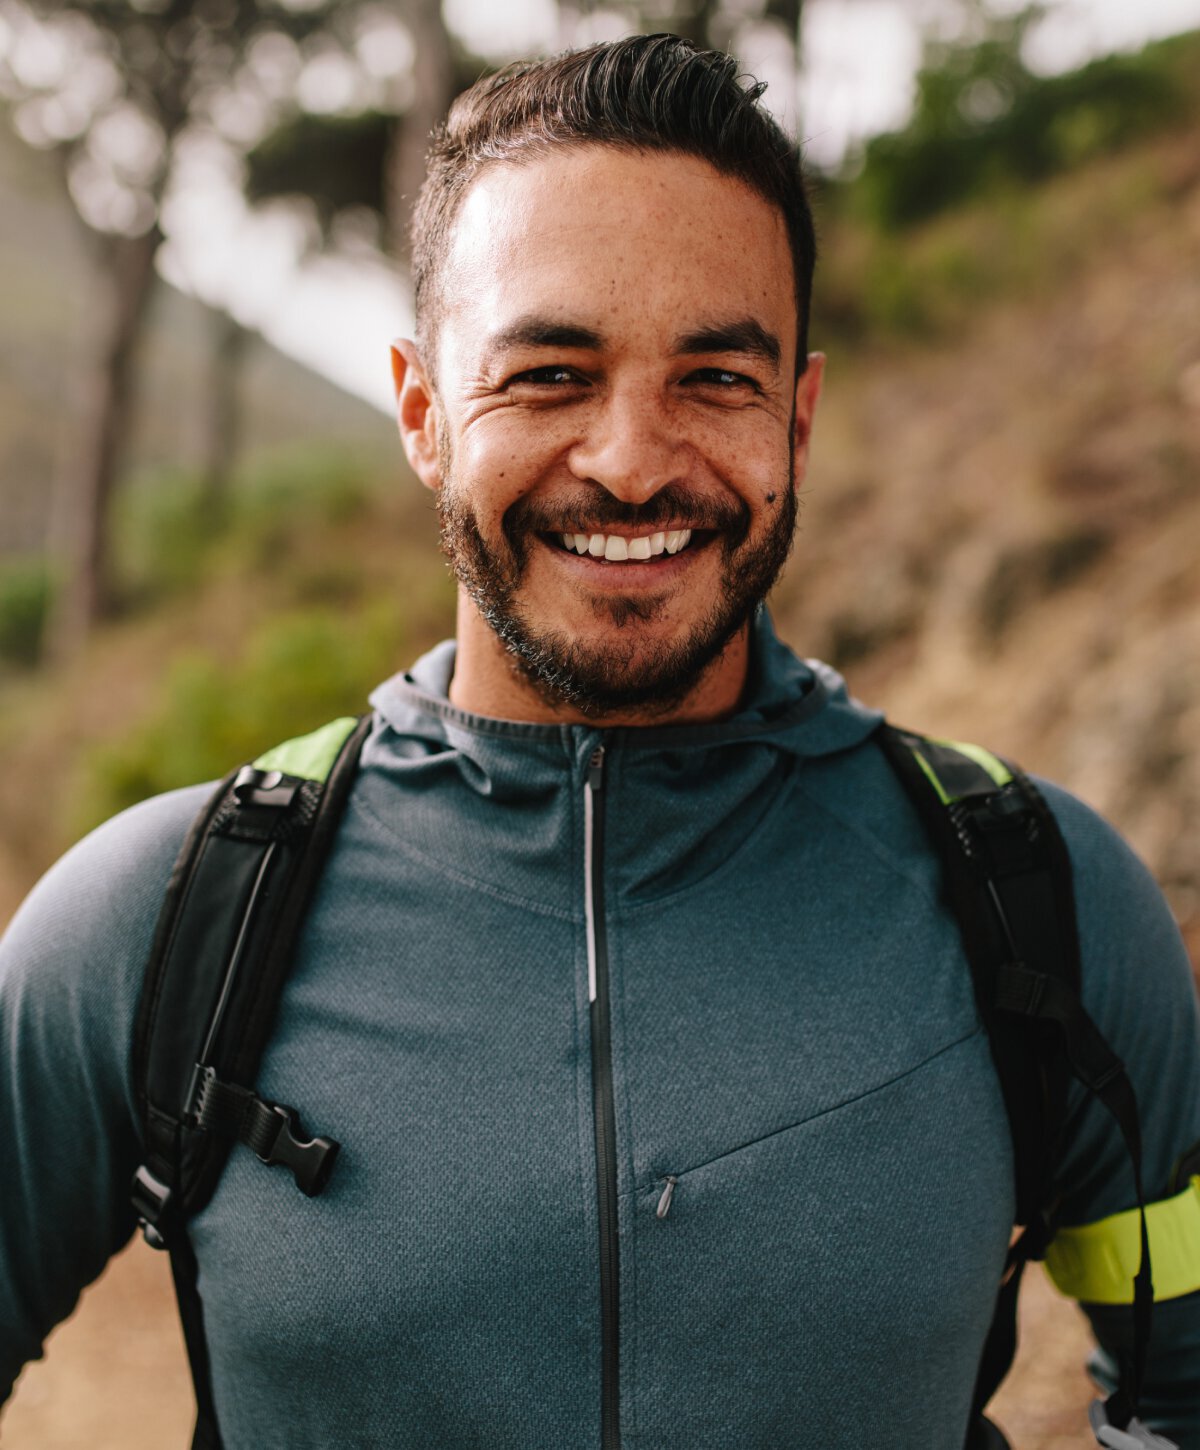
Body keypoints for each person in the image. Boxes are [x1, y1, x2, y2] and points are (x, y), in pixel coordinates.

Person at [2, 34, 1198, 1450]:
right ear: (422, 411)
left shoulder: (1040, 901)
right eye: (551, 374)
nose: (632, 458)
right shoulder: (165, 917)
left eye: (715, 378)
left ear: (798, 419)